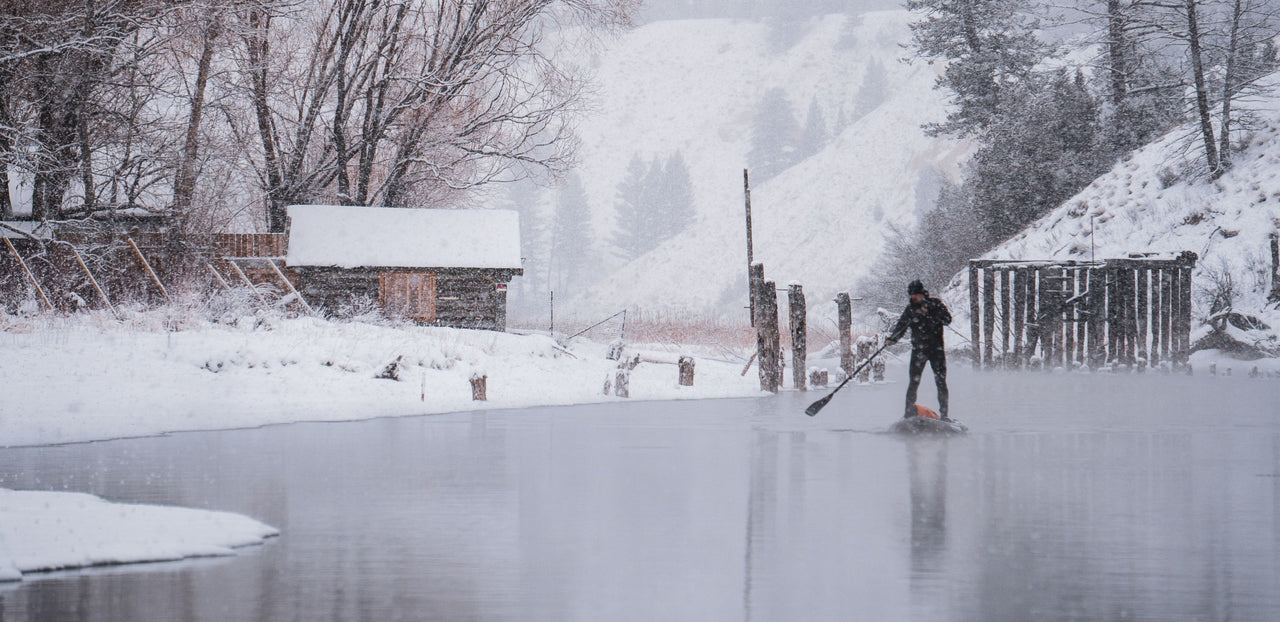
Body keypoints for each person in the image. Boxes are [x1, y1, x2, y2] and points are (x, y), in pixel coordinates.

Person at [886, 280, 952, 420]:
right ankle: (908, 414)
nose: (913, 298)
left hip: (936, 350)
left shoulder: (935, 303)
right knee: (913, 382)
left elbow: (947, 320)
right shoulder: (910, 310)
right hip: (918, 351)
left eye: (915, 295)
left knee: (940, 382)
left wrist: (930, 312)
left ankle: (944, 415)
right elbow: (900, 327)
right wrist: (892, 339)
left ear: (922, 294)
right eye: (911, 295)